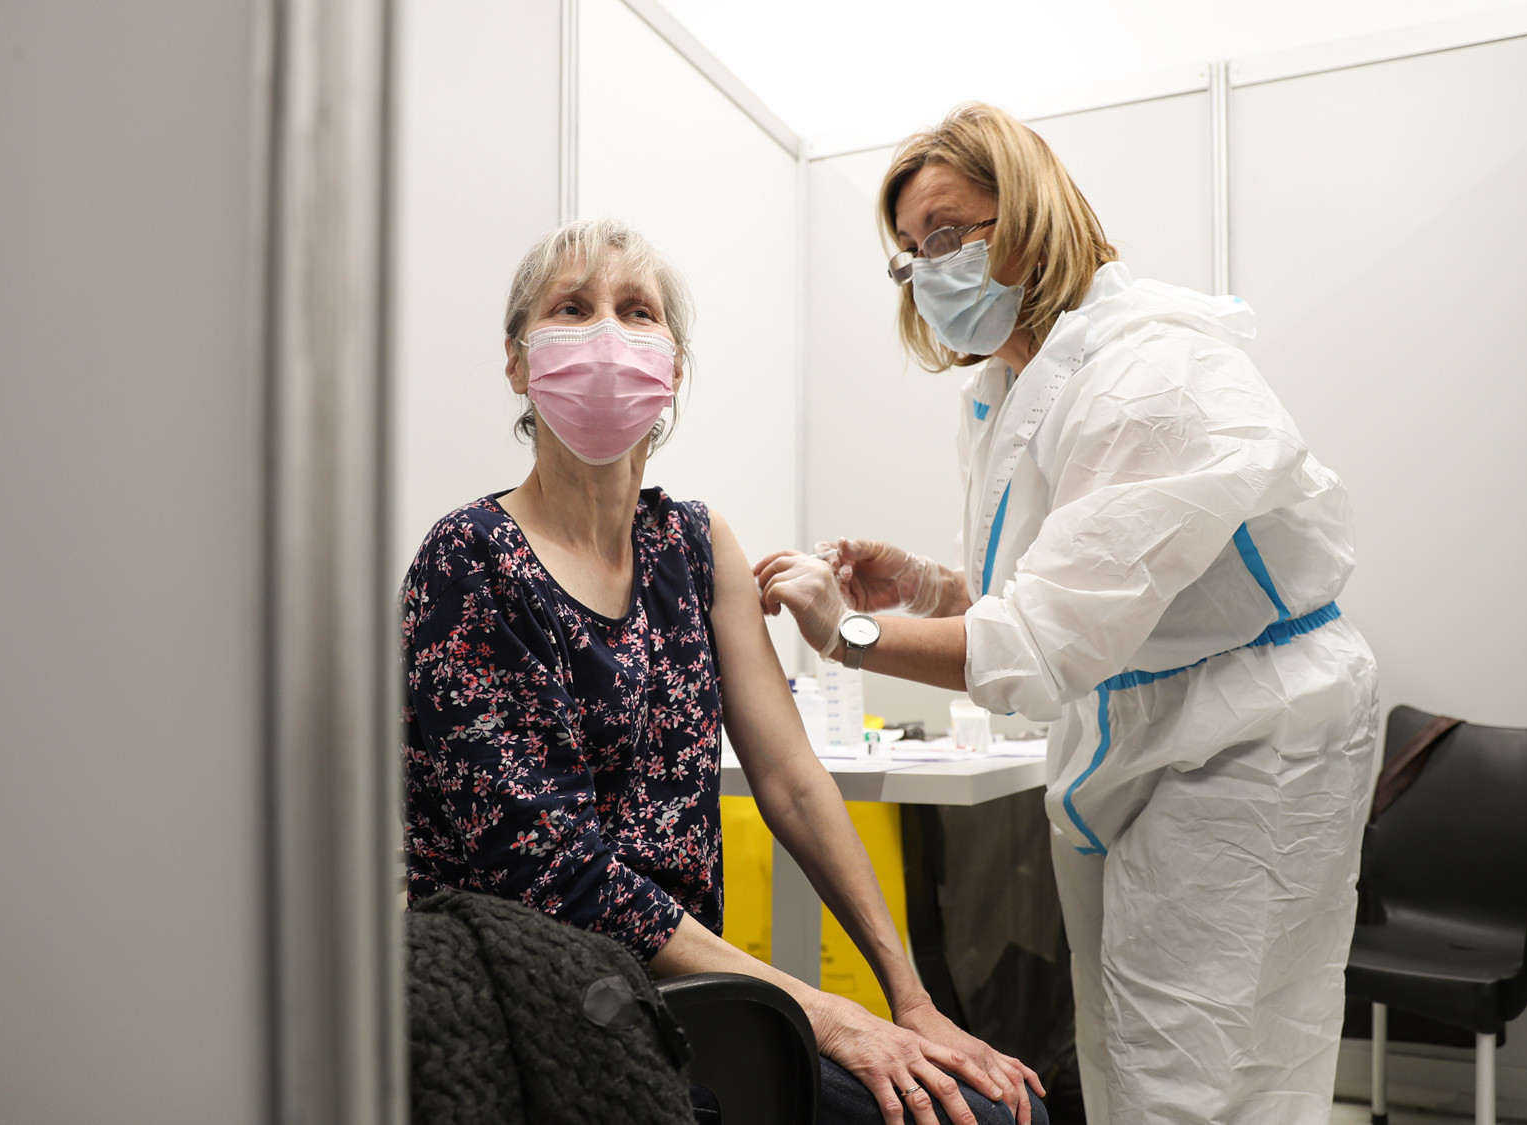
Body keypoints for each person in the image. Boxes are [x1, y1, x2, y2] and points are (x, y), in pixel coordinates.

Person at [755, 103, 1379, 1125]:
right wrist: (927, 588)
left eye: (949, 235)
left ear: (1030, 215)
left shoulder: (1152, 377)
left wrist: (845, 633)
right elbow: (1063, 594)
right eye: (910, 252)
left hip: (1244, 740)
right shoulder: (1012, 386)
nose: (926, 270)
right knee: (1127, 1053)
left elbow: (1039, 646)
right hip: (1134, 732)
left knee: (1203, 1078)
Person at [401, 217, 1047, 1125]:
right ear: (517, 361)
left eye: (637, 310)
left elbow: (792, 781)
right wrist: (827, 1013)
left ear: (671, 367)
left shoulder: (694, 544)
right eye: (572, 308)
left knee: (999, 1108)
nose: (607, 334)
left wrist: (910, 999)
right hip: (543, 995)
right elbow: (556, 873)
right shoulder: (472, 559)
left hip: (683, 988)